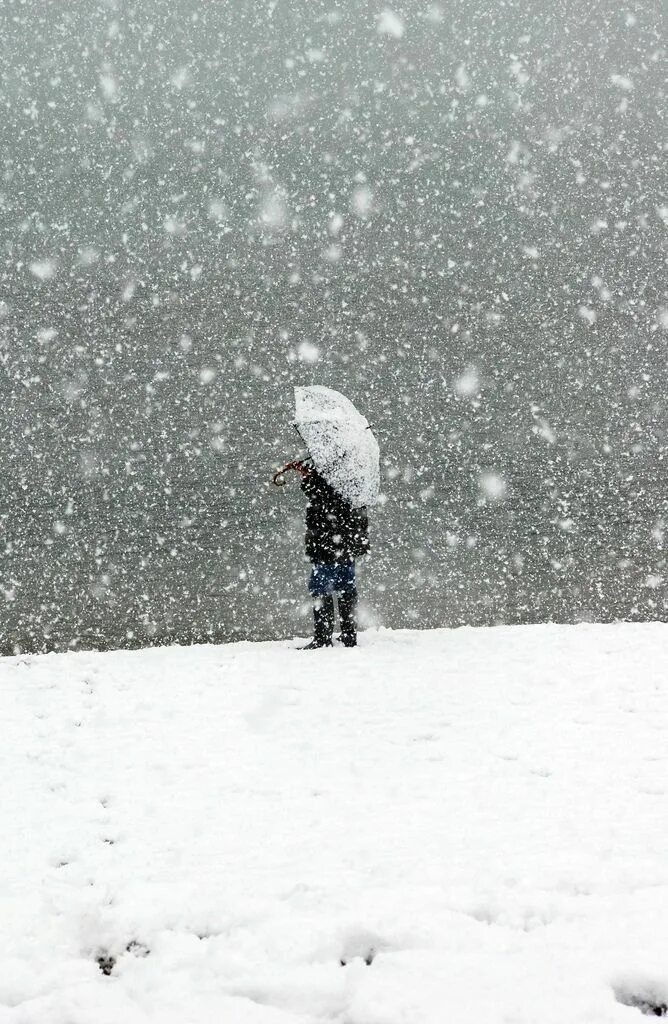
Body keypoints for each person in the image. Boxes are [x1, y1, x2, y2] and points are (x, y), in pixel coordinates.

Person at [284, 459, 370, 649]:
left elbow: (320, 497)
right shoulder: (357, 471)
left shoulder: (330, 472)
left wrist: (308, 478)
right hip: (348, 542)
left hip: (328, 543)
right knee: (346, 587)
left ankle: (323, 638)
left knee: (320, 587)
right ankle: (349, 635)